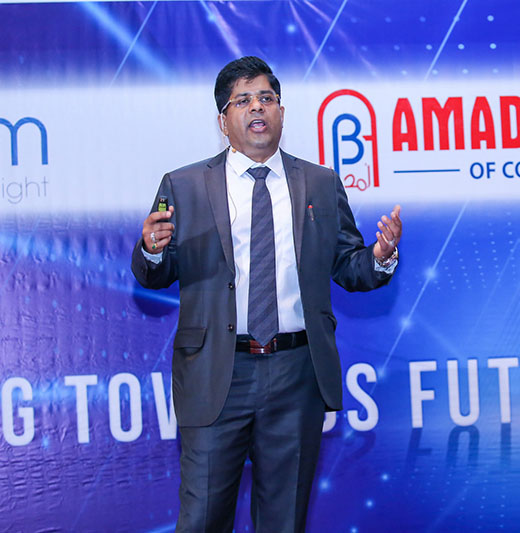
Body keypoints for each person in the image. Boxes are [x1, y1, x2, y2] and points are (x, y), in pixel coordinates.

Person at [131, 56, 402, 533]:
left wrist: (380, 255)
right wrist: (152, 250)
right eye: (243, 101)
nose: (257, 108)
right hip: (216, 372)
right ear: (223, 121)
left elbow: (349, 266)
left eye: (266, 98)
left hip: (296, 372)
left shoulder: (320, 183)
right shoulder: (184, 185)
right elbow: (156, 275)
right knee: (202, 519)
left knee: (283, 520)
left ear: (281, 111)